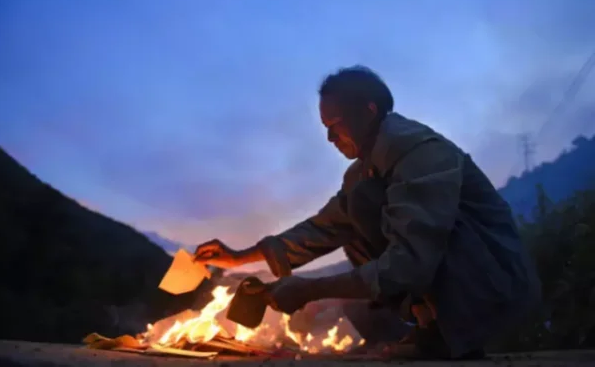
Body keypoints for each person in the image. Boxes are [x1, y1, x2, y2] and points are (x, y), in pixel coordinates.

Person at [194, 66, 541, 360]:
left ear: (369, 110)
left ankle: (450, 328)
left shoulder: (422, 153)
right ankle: (433, 328)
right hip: (460, 285)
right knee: (358, 207)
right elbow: (322, 228)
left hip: (494, 284)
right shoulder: (364, 174)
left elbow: (409, 262)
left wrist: (309, 290)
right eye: (325, 128)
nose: (330, 137)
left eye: (335, 124)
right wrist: (238, 258)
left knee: (370, 209)